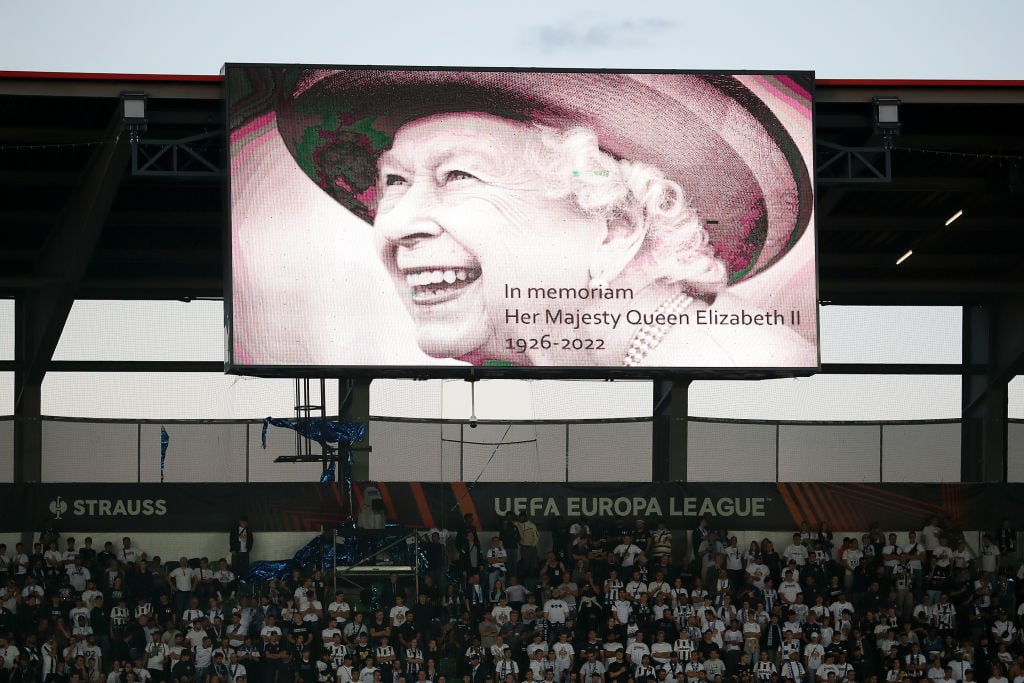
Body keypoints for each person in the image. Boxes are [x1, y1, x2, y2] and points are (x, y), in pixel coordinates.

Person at [234, 68, 816, 369]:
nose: (392, 225)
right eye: (394, 182)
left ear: (615, 228)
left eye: (459, 175)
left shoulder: (740, 368)